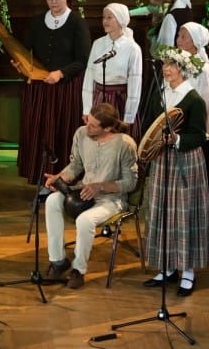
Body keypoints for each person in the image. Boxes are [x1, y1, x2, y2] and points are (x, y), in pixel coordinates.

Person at [43, 102, 139, 290]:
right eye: (88, 121)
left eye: (93, 125)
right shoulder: (81, 134)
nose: (87, 126)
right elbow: (75, 165)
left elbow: (131, 183)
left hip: (111, 199)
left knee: (85, 221)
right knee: (52, 201)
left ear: (108, 128)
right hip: (83, 190)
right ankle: (58, 261)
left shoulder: (124, 144)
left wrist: (101, 186)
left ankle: (78, 269)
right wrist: (59, 177)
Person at [142, 46, 209, 296]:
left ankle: (188, 272)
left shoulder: (193, 99)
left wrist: (178, 140)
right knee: (163, 213)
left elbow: (198, 135)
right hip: (162, 161)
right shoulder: (160, 93)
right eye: (164, 65)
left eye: (171, 65)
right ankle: (168, 267)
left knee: (184, 214)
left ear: (182, 69)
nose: (166, 69)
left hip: (184, 162)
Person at [17, 0, 91, 185]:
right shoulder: (37, 21)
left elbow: (83, 59)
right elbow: (26, 51)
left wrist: (61, 73)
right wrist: (21, 65)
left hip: (66, 89)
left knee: (61, 131)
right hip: (40, 89)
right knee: (40, 132)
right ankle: (41, 178)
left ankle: (64, 178)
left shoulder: (77, 22)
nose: (54, 2)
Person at [81, 2, 143, 133]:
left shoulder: (132, 48)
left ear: (121, 19)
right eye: (104, 17)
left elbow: (135, 83)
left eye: (109, 17)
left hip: (119, 100)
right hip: (99, 99)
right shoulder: (98, 44)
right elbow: (89, 75)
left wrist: (129, 117)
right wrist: (87, 108)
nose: (105, 21)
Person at [176, 21, 209, 176]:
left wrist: (206, 133)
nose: (178, 40)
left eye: (184, 37)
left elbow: (206, 103)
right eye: (178, 36)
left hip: (193, 124)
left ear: (195, 42)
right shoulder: (177, 62)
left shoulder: (204, 70)